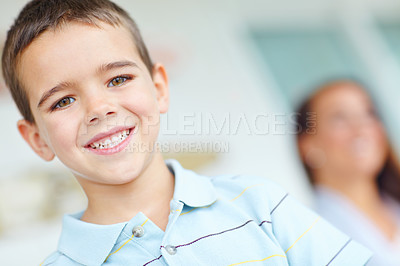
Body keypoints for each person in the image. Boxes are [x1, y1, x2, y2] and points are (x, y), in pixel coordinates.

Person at [2, 1, 371, 265]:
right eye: (63, 101)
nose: (99, 109)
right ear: (36, 138)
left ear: (159, 88)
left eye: (118, 79)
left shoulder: (259, 206)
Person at [296, 79, 400, 265]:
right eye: (339, 118)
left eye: (369, 114)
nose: (361, 129)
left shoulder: (394, 207)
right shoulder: (308, 239)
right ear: (308, 145)